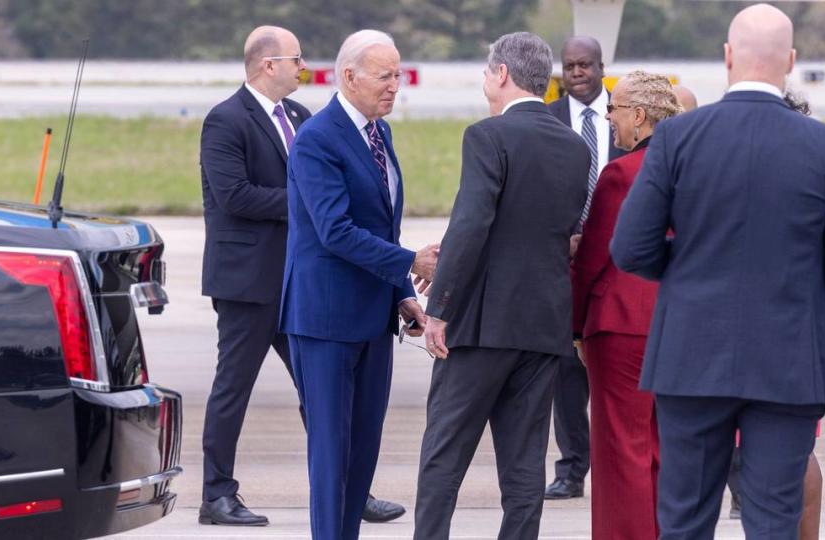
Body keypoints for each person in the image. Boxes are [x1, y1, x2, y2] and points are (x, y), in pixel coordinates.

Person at [611, 4, 825, 538]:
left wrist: (687, 273)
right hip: (791, 364)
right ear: (792, 61)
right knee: (774, 520)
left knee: (683, 518)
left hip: (690, 355)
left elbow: (631, 248)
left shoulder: (678, 139)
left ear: (727, 56)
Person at [198, 26, 404, 528]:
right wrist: (311, 199)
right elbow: (235, 196)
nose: (304, 66)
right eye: (296, 58)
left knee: (325, 401)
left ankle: (348, 487)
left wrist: (319, 200)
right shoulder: (226, 120)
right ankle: (217, 492)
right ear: (268, 64)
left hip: (303, 285)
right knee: (234, 388)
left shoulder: (299, 116)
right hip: (249, 281)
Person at [414, 32, 590, 540]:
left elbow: (473, 224)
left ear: (502, 74)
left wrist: (440, 308)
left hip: (482, 325)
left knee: (444, 456)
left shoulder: (487, 135)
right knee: (524, 465)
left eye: (486, 71)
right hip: (542, 325)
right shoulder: (575, 148)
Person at [280, 29, 437, 540]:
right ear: (349, 77)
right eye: (385, 75)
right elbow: (336, 231)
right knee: (331, 454)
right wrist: (412, 260)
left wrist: (404, 294)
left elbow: (379, 229)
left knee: (363, 450)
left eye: (398, 74)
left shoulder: (378, 133)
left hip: (374, 318)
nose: (396, 85)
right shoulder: (318, 138)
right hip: (325, 321)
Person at [573, 70, 681, 540]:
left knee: (621, 451)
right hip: (679, 323)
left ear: (639, 116)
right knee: (663, 447)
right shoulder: (691, 168)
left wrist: (575, 327)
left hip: (623, 325)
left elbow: (596, 258)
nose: (610, 118)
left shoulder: (620, 174)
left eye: (614, 109)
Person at [726, 91, 824, 540]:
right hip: (796, 332)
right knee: (798, 450)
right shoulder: (817, 175)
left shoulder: (733, 173)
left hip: (737, 332)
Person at [545, 35, 626, 500]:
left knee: (611, 367)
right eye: (569, 66)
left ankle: (615, 466)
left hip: (617, 261)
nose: (576, 73)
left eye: (585, 65)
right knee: (565, 372)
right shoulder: (550, 118)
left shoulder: (627, 115)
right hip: (562, 259)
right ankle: (572, 469)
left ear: (601, 66)